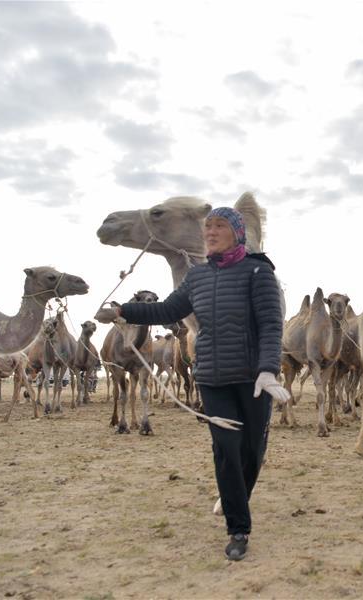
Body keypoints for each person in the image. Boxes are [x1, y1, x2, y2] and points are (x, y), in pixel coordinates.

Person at [95, 206, 290, 560]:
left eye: (219, 227)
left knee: (252, 451)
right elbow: (166, 310)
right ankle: (238, 529)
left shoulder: (259, 271)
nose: (210, 233)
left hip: (253, 380)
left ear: (237, 232)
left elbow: (271, 324)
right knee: (226, 451)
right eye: (207, 227)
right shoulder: (197, 278)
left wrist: (267, 369)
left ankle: (236, 498)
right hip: (213, 379)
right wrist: (124, 311)